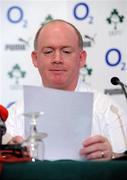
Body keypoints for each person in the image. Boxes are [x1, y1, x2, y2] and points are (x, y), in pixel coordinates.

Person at [4, 19, 127, 160]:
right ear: (35, 59)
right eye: (48, 51)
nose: (57, 59)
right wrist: (10, 155)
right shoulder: (14, 116)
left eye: (66, 51)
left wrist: (112, 156)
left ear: (81, 58)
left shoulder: (109, 111)